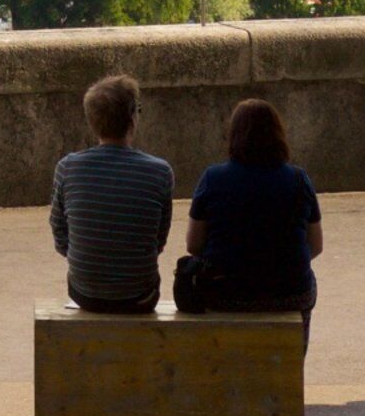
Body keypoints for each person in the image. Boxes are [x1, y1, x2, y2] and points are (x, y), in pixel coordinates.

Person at [172, 98, 321, 317]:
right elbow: (316, 246)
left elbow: (194, 244)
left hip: (225, 293)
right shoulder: (299, 179)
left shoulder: (212, 178)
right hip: (290, 293)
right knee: (307, 285)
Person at [49, 73, 171, 314]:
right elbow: (158, 240)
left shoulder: (68, 167)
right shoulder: (160, 171)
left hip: (85, 294)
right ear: (132, 117)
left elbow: (60, 234)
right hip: (140, 296)